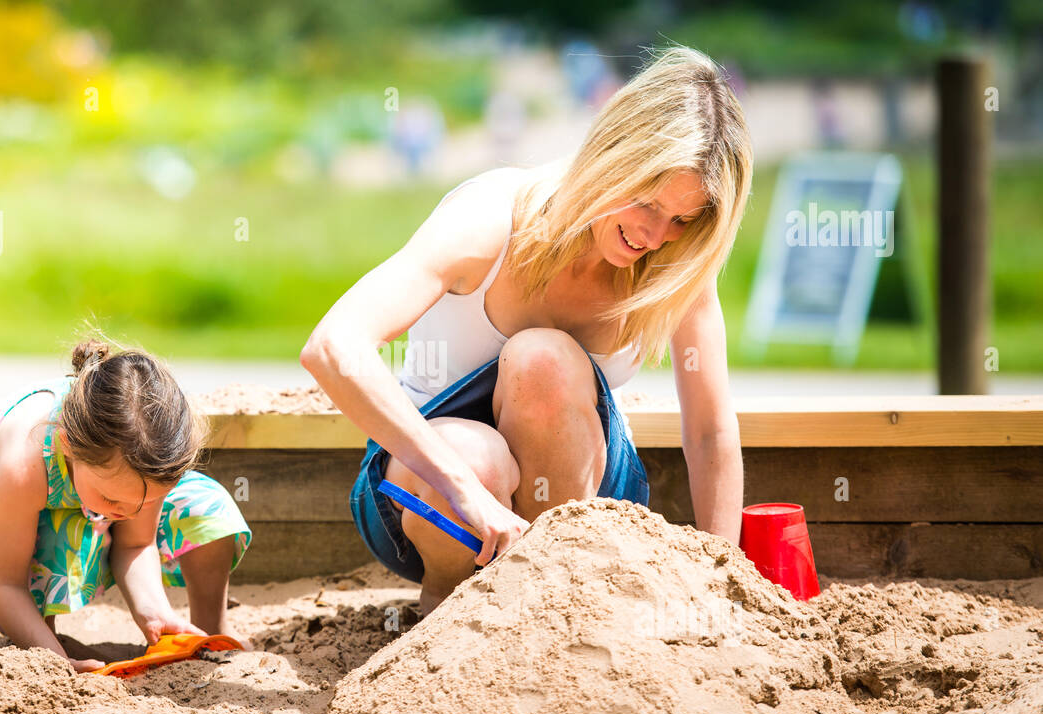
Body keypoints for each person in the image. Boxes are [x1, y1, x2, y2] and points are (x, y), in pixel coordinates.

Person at [301, 46, 752, 614]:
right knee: (476, 455)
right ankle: (442, 611)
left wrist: (722, 576)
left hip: (580, 506)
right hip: (427, 499)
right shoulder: (491, 216)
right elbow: (332, 347)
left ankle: (550, 605)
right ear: (609, 155)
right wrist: (467, 491)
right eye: (644, 201)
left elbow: (710, 431)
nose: (653, 235)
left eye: (682, 219)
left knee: (544, 361)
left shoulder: (679, 260)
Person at [0, 338, 252, 670]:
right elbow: (5, 585)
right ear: (69, 446)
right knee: (53, 540)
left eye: (145, 501)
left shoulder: (142, 465)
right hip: (3, 503)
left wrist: (154, 611)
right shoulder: (22, 465)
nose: (126, 513)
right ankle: (41, 639)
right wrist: (57, 663)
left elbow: (136, 542)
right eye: (113, 499)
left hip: (90, 486)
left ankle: (211, 626)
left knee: (207, 506)